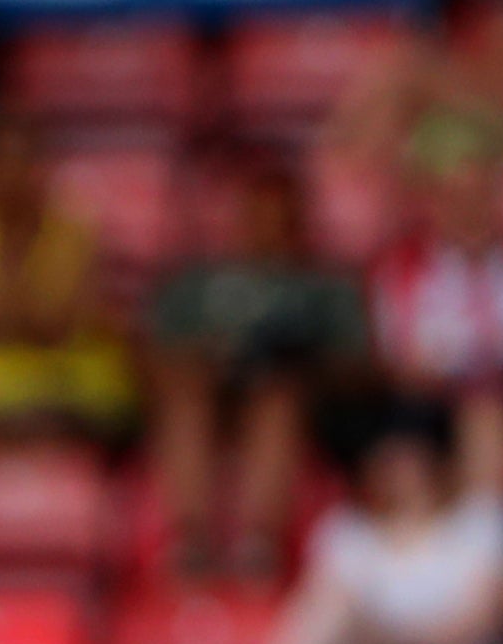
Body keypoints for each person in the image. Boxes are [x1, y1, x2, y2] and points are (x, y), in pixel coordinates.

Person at [146, 157, 371, 582]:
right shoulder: (194, 284)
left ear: (298, 221)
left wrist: (295, 360)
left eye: (278, 216)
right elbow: (157, 357)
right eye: (256, 213)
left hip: (294, 404)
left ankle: (258, 545)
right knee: (185, 396)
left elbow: (355, 367)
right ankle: (190, 543)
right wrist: (208, 360)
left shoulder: (324, 286)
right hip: (210, 396)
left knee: (277, 397)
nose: (265, 226)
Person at [248, 399, 503, 644]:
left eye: (409, 459)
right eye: (387, 460)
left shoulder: (479, 522)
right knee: (336, 614)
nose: (399, 472)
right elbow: (321, 617)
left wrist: (385, 636)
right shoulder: (347, 531)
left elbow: (481, 621)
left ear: (437, 461)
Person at [0, 112, 134, 445]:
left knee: (105, 387)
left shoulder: (74, 228)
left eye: (23, 162)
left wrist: (23, 313)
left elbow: (67, 321)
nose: (14, 175)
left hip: (64, 363)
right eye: (2, 163)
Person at [370, 155, 503, 495]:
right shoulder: (402, 267)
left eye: (479, 195)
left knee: (486, 408)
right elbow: (402, 364)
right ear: (434, 205)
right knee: (483, 413)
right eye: (455, 197)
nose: (468, 209)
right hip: (433, 404)